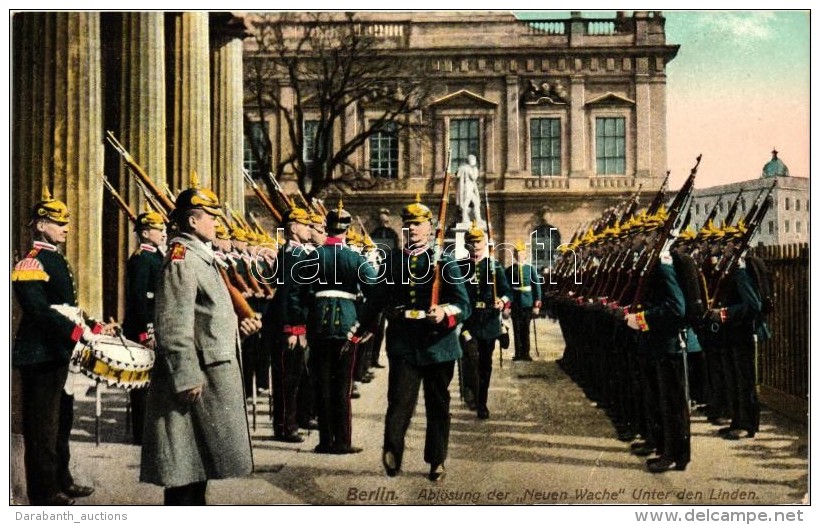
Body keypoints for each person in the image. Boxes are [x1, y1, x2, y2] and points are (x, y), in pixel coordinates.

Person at [139, 181, 262, 505]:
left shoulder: (200, 258)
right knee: (184, 475)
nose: (216, 223)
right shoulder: (182, 258)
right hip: (194, 381)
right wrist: (185, 376)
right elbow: (173, 324)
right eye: (211, 216)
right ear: (192, 221)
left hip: (206, 377)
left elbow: (204, 318)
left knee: (198, 470)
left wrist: (238, 327)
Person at [355, 195, 471, 481]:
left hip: (438, 345)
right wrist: (361, 328)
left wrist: (444, 313)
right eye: (408, 225)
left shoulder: (444, 262)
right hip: (404, 342)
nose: (412, 230)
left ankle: (437, 460)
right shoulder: (393, 261)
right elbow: (377, 300)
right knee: (399, 401)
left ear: (429, 228)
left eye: (418, 225)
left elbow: (463, 303)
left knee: (437, 405)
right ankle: (392, 451)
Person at [12, 187, 101, 505]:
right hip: (39, 355)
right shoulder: (29, 263)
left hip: (58, 352)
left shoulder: (55, 260)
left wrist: (94, 327)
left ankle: (62, 480)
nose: (66, 227)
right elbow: (38, 311)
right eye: (57, 222)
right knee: (42, 428)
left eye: (66, 222)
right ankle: (44, 492)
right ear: (40, 225)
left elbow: (65, 307)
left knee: (61, 423)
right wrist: (77, 333)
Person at [307, 200, 376, 454]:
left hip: (318, 326)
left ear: (326, 228)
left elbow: (302, 294)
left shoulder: (313, 257)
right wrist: (367, 325)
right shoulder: (355, 258)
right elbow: (374, 292)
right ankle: (343, 441)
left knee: (322, 384)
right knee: (342, 387)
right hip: (347, 325)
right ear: (346, 230)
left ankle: (325, 441)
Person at [261, 206, 314, 443]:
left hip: (291, 324)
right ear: (293, 228)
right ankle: (284, 427)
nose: (309, 229)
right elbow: (288, 295)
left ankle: (290, 423)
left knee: (294, 378)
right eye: (305, 224)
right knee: (286, 380)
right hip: (286, 327)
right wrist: (292, 329)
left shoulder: (297, 253)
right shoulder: (292, 255)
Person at [122, 208, 167, 445]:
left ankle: (149, 430)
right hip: (143, 328)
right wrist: (145, 332)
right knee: (141, 384)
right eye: (159, 229)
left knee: (152, 383)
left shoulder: (157, 256)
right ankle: (141, 433)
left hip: (155, 326)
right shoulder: (141, 259)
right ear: (146, 233)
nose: (162, 233)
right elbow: (139, 299)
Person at [458, 223, 511, 419]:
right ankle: (470, 390)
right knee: (470, 360)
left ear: (485, 243)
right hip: (469, 321)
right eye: (471, 242)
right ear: (466, 245)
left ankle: (482, 403)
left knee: (485, 365)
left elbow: (507, 292)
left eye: (479, 241)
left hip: (489, 322)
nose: (476, 245)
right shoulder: (460, 267)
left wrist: (501, 301)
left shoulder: (494, 266)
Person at [505, 240, 543, 361]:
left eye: (521, 253)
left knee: (525, 329)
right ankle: (518, 354)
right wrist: (507, 305)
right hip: (515, 302)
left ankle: (526, 353)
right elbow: (506, 288)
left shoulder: (530, 269)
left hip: (528, 303)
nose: (519, 255)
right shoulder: (510, 270)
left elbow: (536, 286)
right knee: (516, 329)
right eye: (516, 253)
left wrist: (537, 304)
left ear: (525, 255)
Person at [456, 154, 482, 225]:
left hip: (468, 188)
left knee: (476, 202)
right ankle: (465, 219)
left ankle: (478, 219)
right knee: (466, 203)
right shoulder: (470, 168)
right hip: (468, 188)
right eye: (474, 160)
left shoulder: (462, 167)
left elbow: (457, 175)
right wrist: (474, 170)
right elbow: (474, 177)